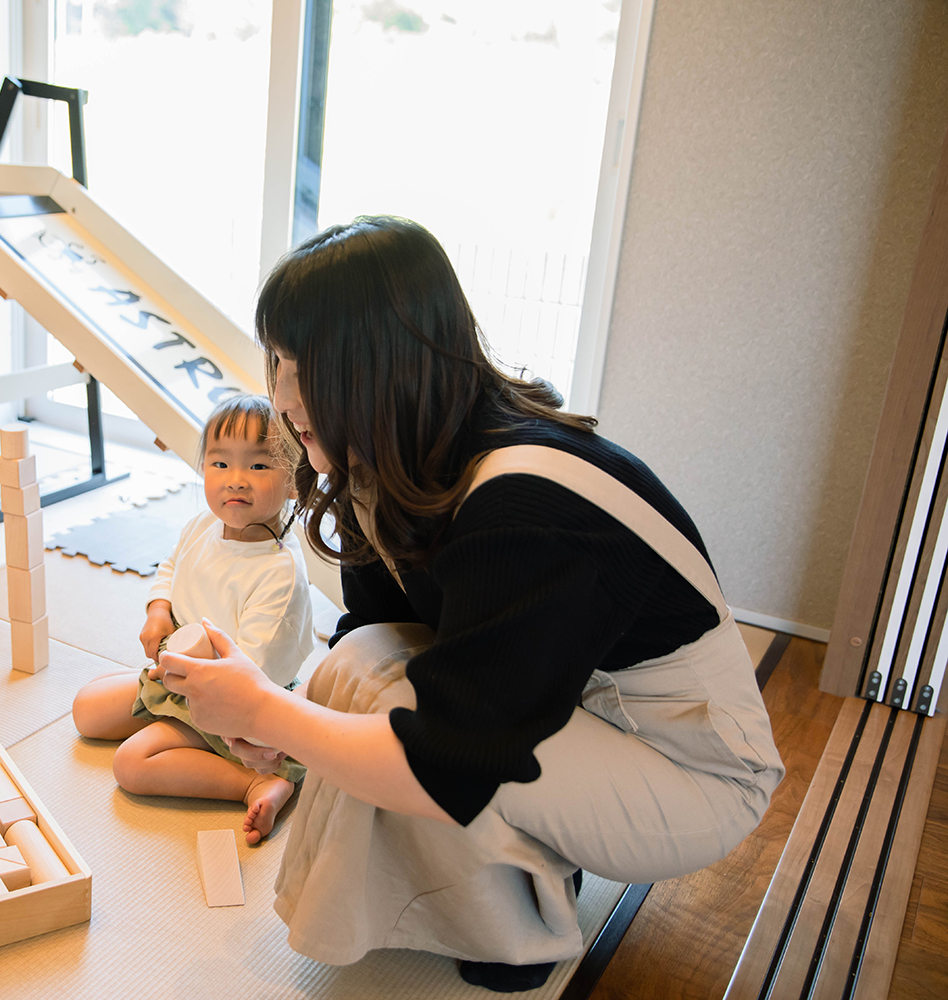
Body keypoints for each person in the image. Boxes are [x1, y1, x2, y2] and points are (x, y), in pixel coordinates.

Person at [151, 217, 784, 992]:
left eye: (299, 364)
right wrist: (281, 735)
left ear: (374, 366)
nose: (280, 395)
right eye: (277, 360)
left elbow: (441, 759)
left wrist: (264, 716)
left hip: (693, 774)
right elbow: (376, 635)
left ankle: (521, 932)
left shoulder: (521, 503)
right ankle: (520, 873)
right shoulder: (392, 459)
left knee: (388, 705)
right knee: (358, 665)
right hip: (585, 717)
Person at [72, 394, 314, 845]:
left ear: (296, 481)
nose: (235, 481)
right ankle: (173, 724)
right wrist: (158, 610)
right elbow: (171, 567)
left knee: (131, 764)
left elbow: (255, 673)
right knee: (86, 709)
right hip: (178, 675)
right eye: (220, 464)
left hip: (232, 708)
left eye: (258, 467)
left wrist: (190, 675)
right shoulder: (204, 525)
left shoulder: (279, 571)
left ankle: (256, 782)